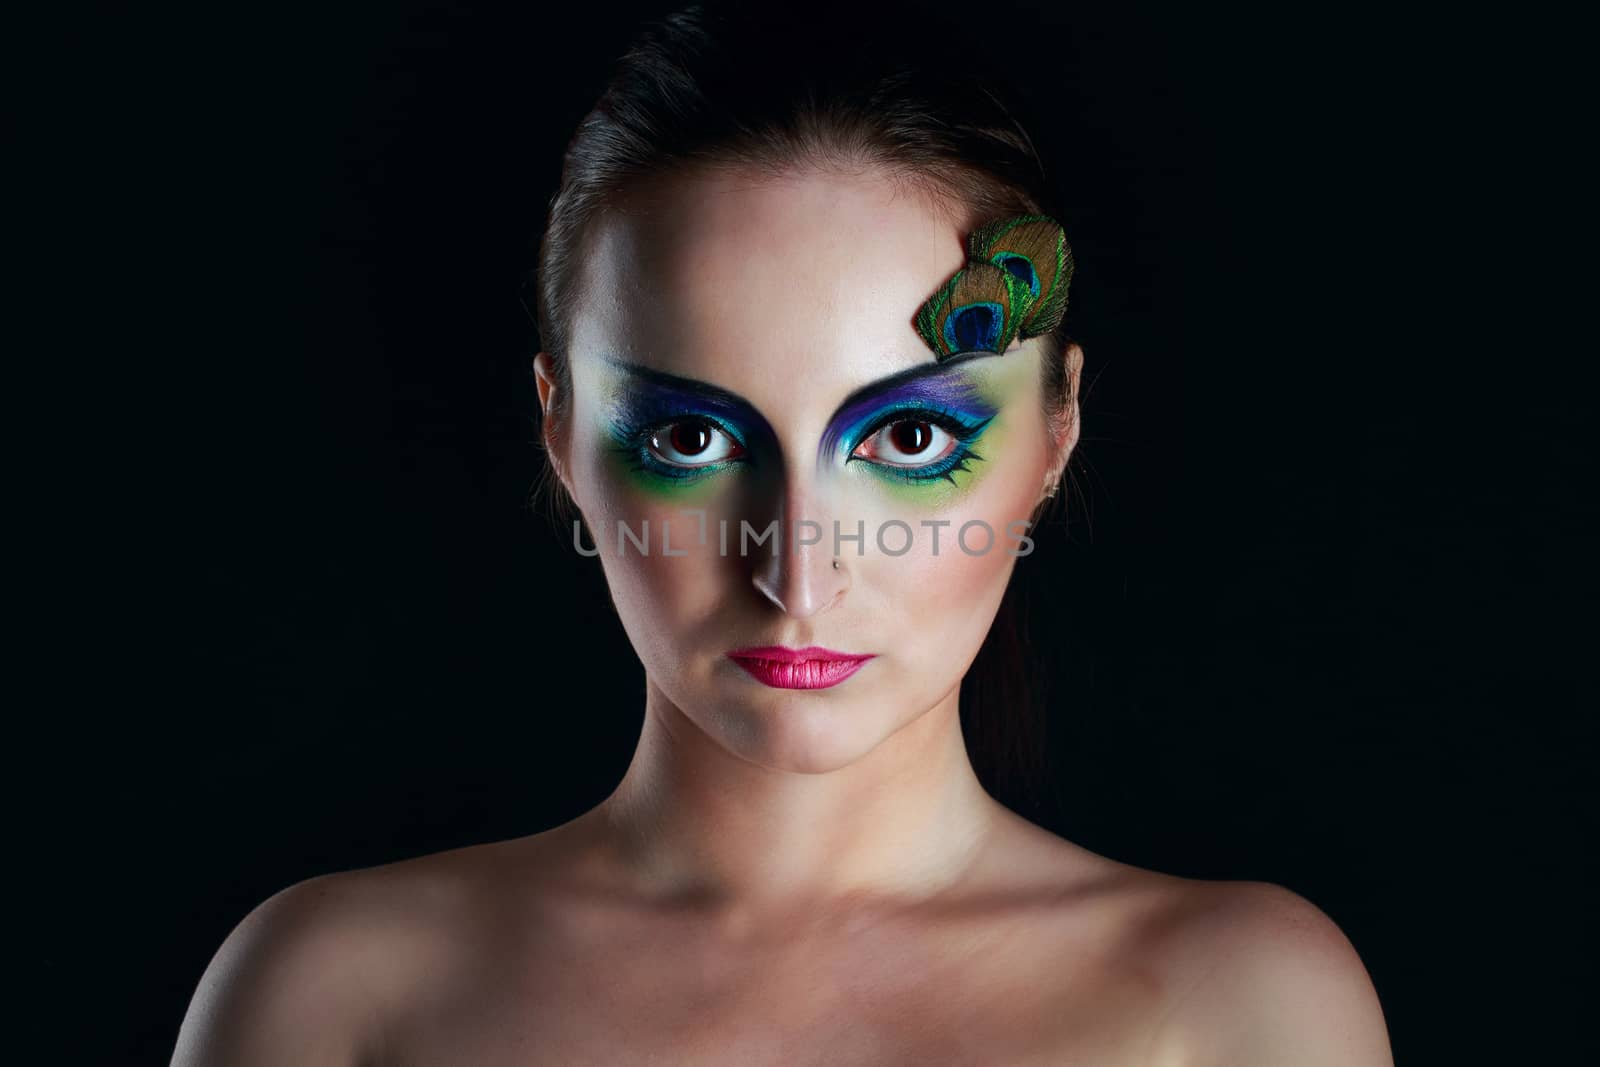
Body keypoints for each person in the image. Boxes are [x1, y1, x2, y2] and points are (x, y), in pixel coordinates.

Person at [171, 3, 1394, 1063]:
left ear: (1055, 435)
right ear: (560, 432)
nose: (796, 571)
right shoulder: (328, 991)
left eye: (909, 440)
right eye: (691, 441)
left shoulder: (1240, 1002)